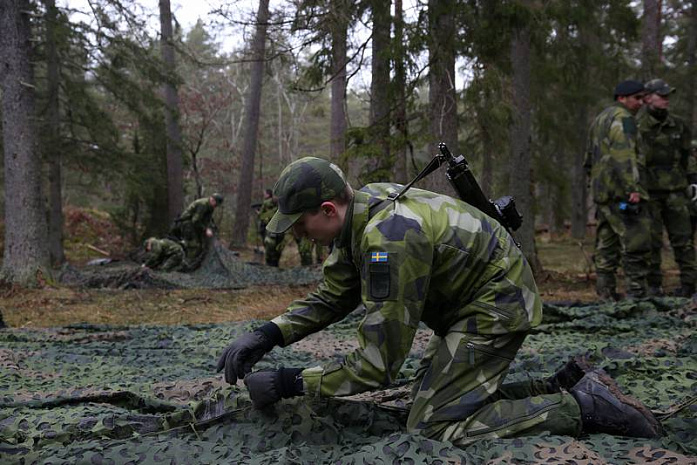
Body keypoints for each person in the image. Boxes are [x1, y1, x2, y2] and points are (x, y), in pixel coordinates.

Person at [216, 157, 662, 444]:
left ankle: (582, 407)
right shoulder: (364, 210)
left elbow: (377, 365)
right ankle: (564, 384)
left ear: (329, 210)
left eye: (299, 225)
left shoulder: (387, 241)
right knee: (430, 400)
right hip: (473, 302)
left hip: (496, 306)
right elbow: (333, 295)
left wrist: (291, 382)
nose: (297, 235)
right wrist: (267, 334)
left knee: (432, 425)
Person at [584, 80, 652, 300]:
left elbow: (589, 158)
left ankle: (605, 293)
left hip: (603, 192)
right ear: (622, 98)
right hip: (621, 192)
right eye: (637, 98)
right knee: (635, 241)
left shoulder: (600, 119)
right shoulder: (624, 119)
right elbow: (624, 155)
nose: (641, 103)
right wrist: (632, 188)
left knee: (606, 243)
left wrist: (594, 184)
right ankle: (637, 295)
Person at [637, 79, 697, 297]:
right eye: (661, 96)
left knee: (683, 238)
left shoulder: (679, 124)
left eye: (667, 96)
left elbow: (687, 154)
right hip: (649, 191)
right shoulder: (637, 125)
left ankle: (690, 284)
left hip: (676, 190)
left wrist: (693, 180)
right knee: (651, 240)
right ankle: (654, 285)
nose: (666, 100)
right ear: (647, 98)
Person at [171, 193, 223, 262]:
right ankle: (187, 263)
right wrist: (205, 229)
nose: (216, 206)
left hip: (196, 225)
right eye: (216, 204)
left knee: (202, 244)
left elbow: (207, 219)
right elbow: (195, 221)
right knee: (193, 245)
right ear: (212, 200)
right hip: (188, 224)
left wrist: (211, 228)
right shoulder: (203, 205)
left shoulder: (210, 207)